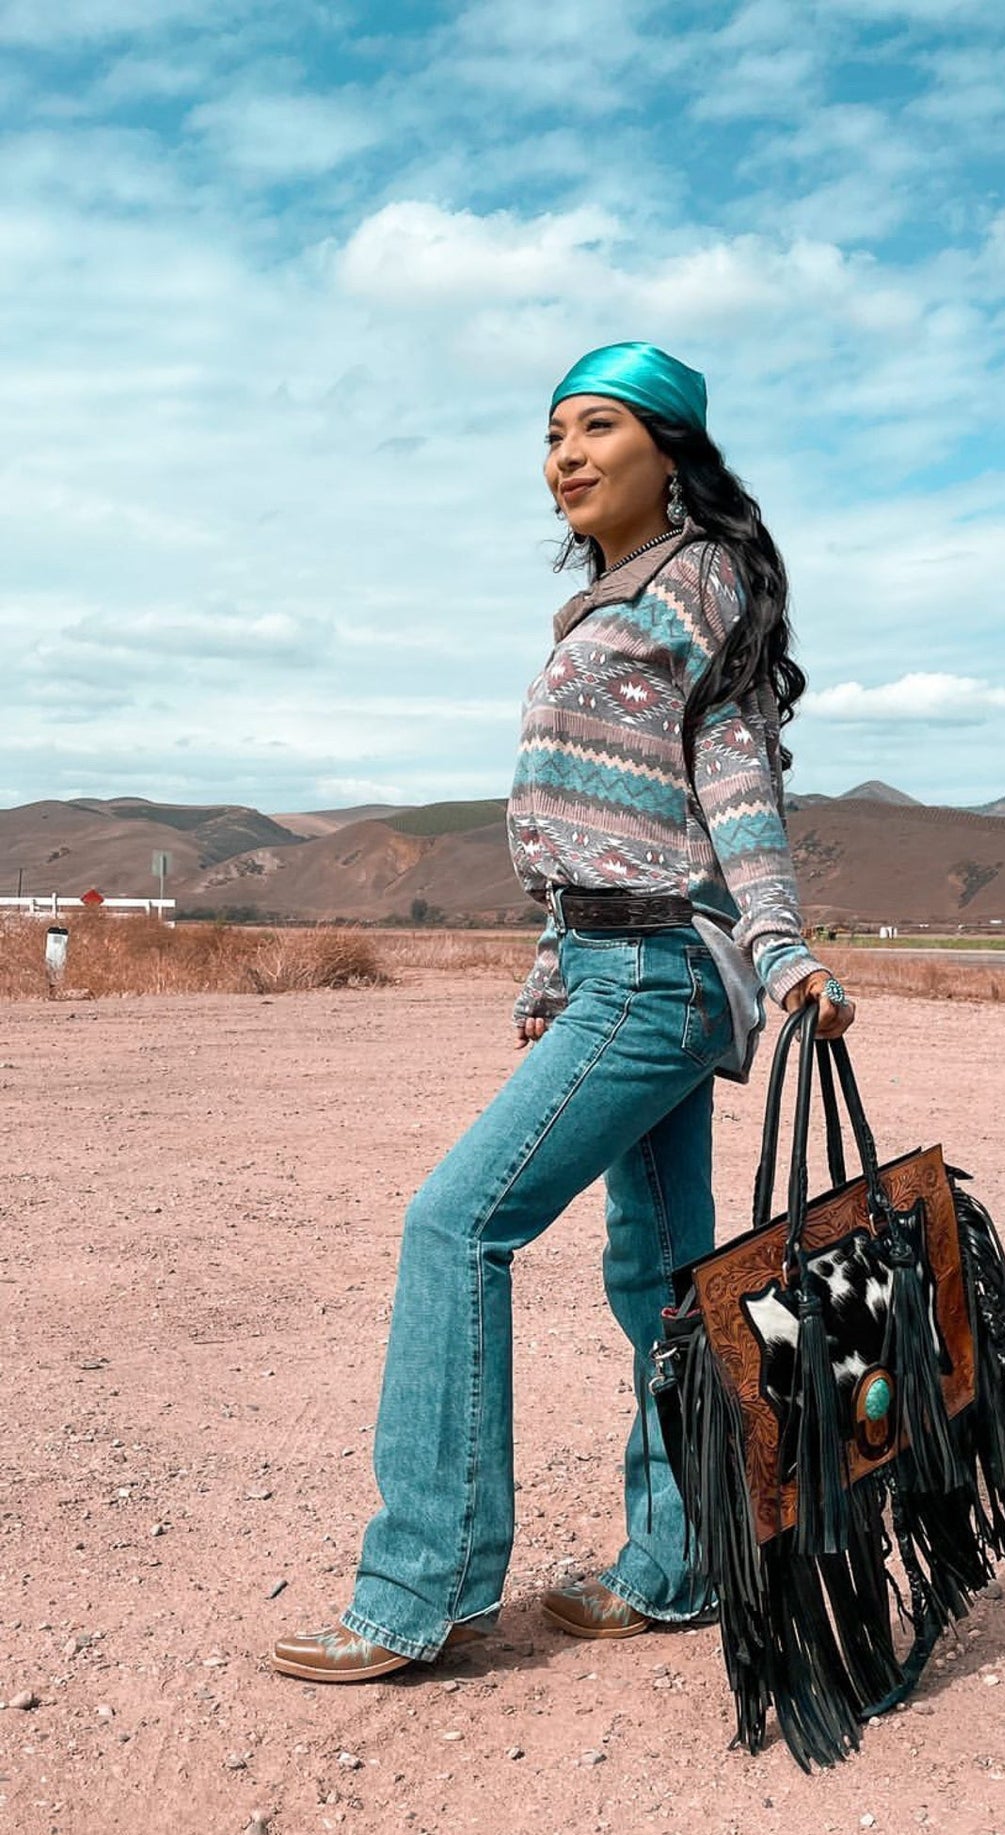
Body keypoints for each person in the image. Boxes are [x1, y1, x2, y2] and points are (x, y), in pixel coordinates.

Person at [272, 342, 855, 1683]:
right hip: (616, 965)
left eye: (598, 428)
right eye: (551, 438)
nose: (566, 457)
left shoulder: (695, 587)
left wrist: (783, 955)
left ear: (672, 452)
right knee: (656, 1277)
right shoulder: (621, 599)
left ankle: (428, 1583)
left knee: (454, 1224)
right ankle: (678, 1562)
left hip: (656, 972)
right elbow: (610, 817)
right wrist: (551, 968)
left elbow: (736, 795)